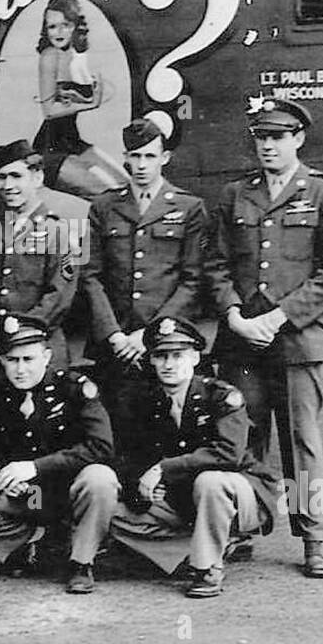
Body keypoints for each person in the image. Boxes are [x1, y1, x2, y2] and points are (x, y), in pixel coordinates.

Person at [205, 97, 323, 578]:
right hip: (241, 341)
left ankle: (314, 538)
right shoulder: (235, 195)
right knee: (240, 437)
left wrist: (280, 318)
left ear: (298, 139)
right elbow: (216, 263)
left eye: (277, 137)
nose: (268, 145)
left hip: (295, 342)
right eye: (261, 137)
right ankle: (243, 527)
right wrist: (232, 314)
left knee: (301, 442)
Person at [110, 315, 279, 598]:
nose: (169, 364)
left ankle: (207, 567)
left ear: (195, 356)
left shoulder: (222, 396)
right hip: (182, 500)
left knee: (211, 481)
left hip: (240, 496)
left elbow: (228, 454)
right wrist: (140, 485)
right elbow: (130, 455)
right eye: (161, 356)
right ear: (150, 360)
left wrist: (164, 468)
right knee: (109, 511)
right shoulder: (144, 400)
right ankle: (200, 547)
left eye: (178, 355)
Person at [0, 314, 118, 594]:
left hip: (66, 493)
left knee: (101, 479)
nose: (20, 370)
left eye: (28, 360)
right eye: (11, 360)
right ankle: (23, 543)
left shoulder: (75, 388)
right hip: (28, 497)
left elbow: (101, 447)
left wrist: (36, 467)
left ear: (47, 356)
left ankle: (81, 562)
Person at [80, 117, 207, 432]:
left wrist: (148, 335)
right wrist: (114, 335)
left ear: (164, 158)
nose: (141, 165)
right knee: (115, 432)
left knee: (168, 429)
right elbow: (91, 276)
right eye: (134, 156)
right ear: (124, 158)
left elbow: (192, 279)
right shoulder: (103, 207)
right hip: (115, 345)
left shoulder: (189, 208)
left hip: (166, 341)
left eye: (149, 156)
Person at [0, 139, 78, 377]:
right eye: (2, 177)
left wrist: (21, 334)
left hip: (40, 352)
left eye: (16, 176)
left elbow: (59, 295)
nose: (7, 185)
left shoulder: (61, 230)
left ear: (37, 178)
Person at [34, 0, 103, 195]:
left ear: (75, 25)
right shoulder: (49, 56)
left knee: (126, 188)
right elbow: (48, 111)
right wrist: (90, 103)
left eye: (65, 25)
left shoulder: (76, 55)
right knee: (110, 199)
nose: (58, 32)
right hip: (50, 152)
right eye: (52, 27)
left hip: (73, 142)